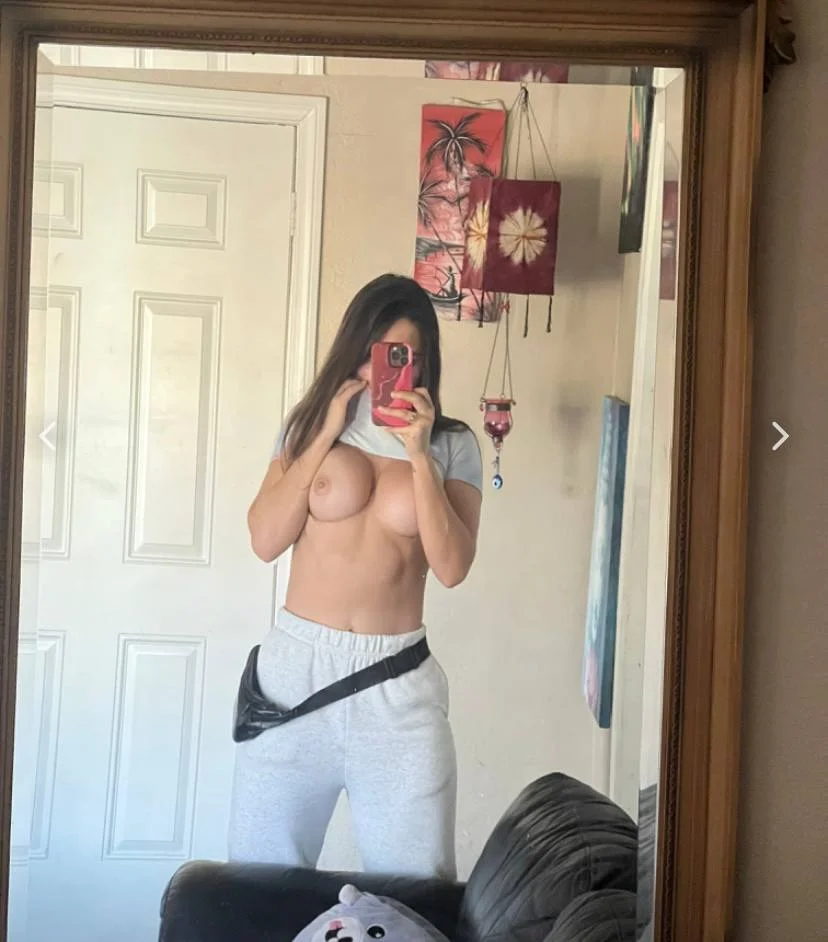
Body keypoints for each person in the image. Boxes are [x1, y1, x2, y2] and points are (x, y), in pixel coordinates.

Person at [227, 273, 483, 880]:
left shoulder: (451, 444)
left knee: (414, 887)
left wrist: (418, 454)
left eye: (405, 356)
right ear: (355, 348)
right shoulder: (308, 426)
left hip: (396, 683)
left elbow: (452, 567)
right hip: (295, 676)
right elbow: (265, 540)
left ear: (424, 362)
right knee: (259, 884)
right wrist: (322, 434)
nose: (385, 371)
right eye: (377, 352)